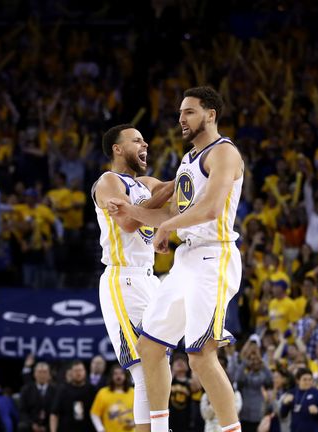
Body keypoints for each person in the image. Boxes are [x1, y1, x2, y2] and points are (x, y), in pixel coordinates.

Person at [109, 86, 243, 432]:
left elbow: (211, 209)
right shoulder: (188, 161)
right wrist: (132, 211)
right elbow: (173, 211)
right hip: (186, 258)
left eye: (189, 112)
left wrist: (167, 225)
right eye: (181, 113)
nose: (181, 119)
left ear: (210, 115)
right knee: (149, 347)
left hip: (214, 256)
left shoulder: (224, 153)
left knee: (200, 357)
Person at [92, 123, 174, 431]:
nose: (145, 144)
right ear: (117, 148)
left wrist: (143, 207)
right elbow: (127, 224)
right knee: (143, 369)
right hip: (122, 278)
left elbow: (175, 188)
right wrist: (143, 208)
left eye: (144, 140)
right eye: (136, 140)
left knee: (159, 363)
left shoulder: (146, 183)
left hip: (150, 279)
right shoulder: (108, 181)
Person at [50, 361, 97, 432]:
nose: (78, 373)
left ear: (85, 372)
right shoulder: (63, 390)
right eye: (75, 371)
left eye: (80, 370)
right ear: (71, 373)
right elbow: (54, 414)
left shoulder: (92, 390)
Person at [90, 365, 135, 432]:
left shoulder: (133, 392)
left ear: (126, 376)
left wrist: (135, 423)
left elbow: (141, 413)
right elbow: (94, 414)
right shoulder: (103, 393)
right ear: (111, 376)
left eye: (121, 373)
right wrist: (101, 429)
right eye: (115, 374)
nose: (118, 376)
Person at [19, 362, 57, 432]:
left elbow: (58, 411)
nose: (42, 375)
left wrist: (47, 426)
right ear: (34, 374)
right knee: (22, 426)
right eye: (39, 372)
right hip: (31, 424)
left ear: (49, 375)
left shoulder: (56, 390)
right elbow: (22, 411)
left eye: (45, 372)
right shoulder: (26, 390)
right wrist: (32, 424)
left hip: (49, 424)